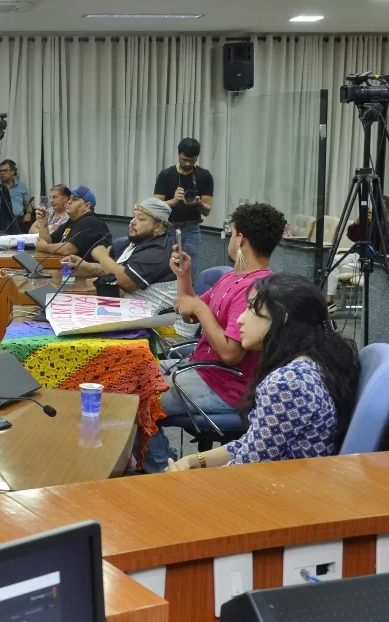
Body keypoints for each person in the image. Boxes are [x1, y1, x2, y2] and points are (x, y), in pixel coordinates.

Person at [143, 202, 287, 473]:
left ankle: (162, 472)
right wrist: (184, 276)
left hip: (225, 385)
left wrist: (199, 308)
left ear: (240, 239)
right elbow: (189, 313)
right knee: (132, 373)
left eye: (232, 234)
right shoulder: (233, 277)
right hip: (203, 369)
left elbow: (231, 353)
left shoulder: (255, 288)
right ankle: (158, 460)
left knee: (137, 398)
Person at [165, 274, 359, 471]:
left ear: (281, 319)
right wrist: (195, 460)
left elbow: (246, 468)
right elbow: (253, 444)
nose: (240, 320)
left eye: (251, 309)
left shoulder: (287, 383)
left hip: (282, 486)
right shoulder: (312, 360)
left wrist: (188, 479)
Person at [64, 198, 176, 312]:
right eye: (133, 216)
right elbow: (118, 270)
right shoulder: (136, 242)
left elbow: (127, 281)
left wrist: (102, 257)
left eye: (141, 219)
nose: (132, 222)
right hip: (130, 308)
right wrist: (88, 266)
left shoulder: (158, 249)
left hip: (154, 319)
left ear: (158, 227)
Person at [154, 137, 214, 270]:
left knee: (188, 271)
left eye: (191, 160)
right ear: (178, 154)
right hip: (168, 228)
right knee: (165, 270)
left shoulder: (204, 176)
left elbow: (207, 211)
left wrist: (198, 204)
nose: (187, 163)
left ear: (197, 157)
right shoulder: (166, 175)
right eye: (184, 159)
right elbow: (155, 209)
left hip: (191, 230)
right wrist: (173, 201)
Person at [324, 209, 389, 315]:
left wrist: (375, 225)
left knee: (335, 267)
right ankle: (329, 301)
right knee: (332, 261)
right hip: (358, 255)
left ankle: (329, 301)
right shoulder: (367, 223)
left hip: (374, 260)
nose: (370, 213)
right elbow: (353, 237)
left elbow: (384, 246)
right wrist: (357, 223)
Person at [34, 185, 107, 258]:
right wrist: (43, 222)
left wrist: (45, 247)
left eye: (74, 199)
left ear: (87, 206)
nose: (68, 202)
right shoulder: (72, 221)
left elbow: (68, 249)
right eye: (69, 199)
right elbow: (48, 241)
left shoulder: (90, 221)